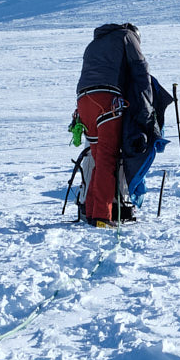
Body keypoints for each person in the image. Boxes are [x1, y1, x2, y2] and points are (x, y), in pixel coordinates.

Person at [75, 23, 155, 227]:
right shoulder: (128, 36)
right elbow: (140, 71)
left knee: (98, 157)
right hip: (106, 101)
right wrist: (146, 110)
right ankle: (102, 215)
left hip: (84, 103)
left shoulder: (94, 43)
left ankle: (91, 210)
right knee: (107, 159)